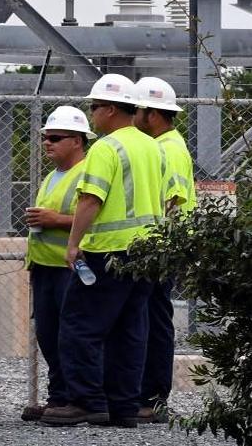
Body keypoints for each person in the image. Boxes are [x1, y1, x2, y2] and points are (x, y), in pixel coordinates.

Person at [41, 74, 168, 429]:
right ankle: (123, 406)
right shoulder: (151, 146)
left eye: (94, 107)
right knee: (130, 330)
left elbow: (91, 199)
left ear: (110, 109)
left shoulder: (106, 148)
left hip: (109, 251)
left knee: (80, 325)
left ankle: (86, 402)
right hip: (147, 251)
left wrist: (73, 243)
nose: (92, 113)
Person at [19, 106, 96, 422]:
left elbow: (95, 219)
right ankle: (59, 397)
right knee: (49, 336)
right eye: (45, 138)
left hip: (70, 268)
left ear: (77, 140)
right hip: (45, 267)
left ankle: (76, 398)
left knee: (71, 335)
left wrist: (54, 220)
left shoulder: (88, 173)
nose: (47, 143)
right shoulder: (53, 175)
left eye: (55, 138)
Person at [133, 76, 196, 424]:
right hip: (163, 248)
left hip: (159, 249)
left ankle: (153, 397)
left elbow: (171, 202)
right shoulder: (172, 144)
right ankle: (148, 394)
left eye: (137, 110)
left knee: (154, 322)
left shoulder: (166, 149)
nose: (132, 117)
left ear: (152, 115)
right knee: (153, 319)